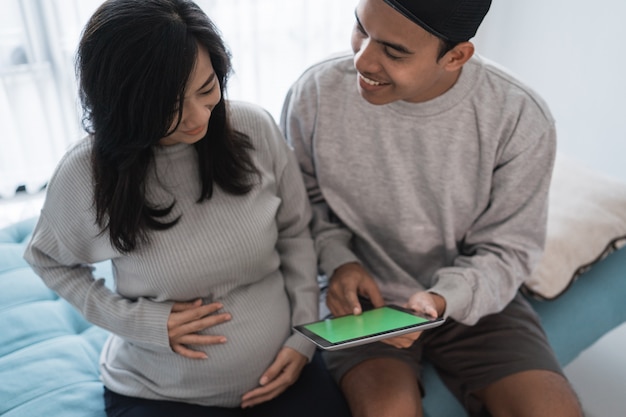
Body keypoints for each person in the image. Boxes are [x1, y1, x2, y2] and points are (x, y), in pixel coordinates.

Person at [23, 0, 351, 416]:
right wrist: (138, 322)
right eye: (170, 106)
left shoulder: (252, 128)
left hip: (287, 370)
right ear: (125, 104)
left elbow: (295, 233)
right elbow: (47, 260)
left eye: (207, 89)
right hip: (159, 393)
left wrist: (304, 338)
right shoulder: (84, 174)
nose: (199, 117)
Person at [280, 0, 584, 416]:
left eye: (393, 51)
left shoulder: (518, 117)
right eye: (360, 29)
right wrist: (339, 263)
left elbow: (508, 249)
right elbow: (303, 207)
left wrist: (443, 300)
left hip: (473, 300)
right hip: (362, 305)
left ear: (456, 56)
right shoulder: (314, 94)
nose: (362, 59)